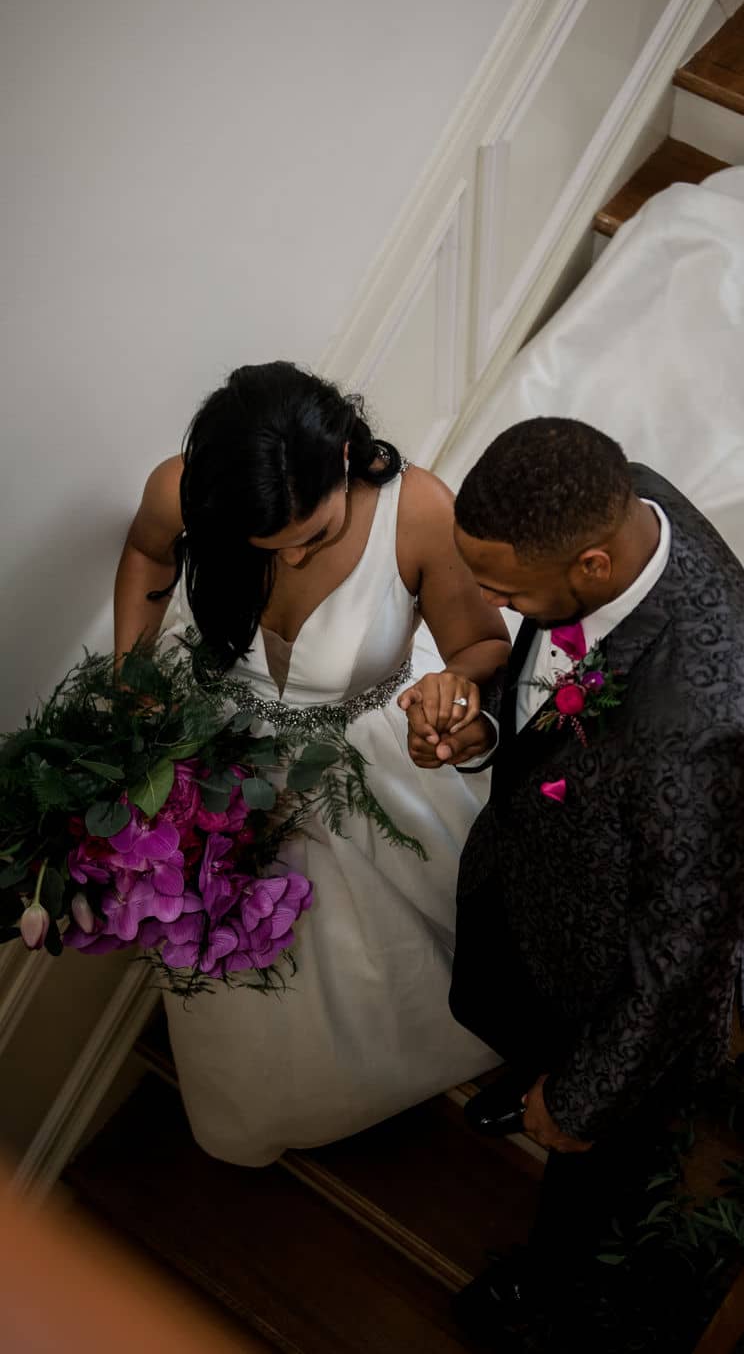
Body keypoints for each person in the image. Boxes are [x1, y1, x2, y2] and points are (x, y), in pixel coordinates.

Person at [402, 417, 744, 1342]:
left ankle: (549, 1291)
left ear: (590, 569)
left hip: (615, 990)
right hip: (537, 893)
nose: (479, 601)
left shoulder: (714, 728)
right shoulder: (625, 499)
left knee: (593, 1179)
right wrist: (488, 728)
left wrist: (582, 1097)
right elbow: (540, 691)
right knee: (505, 1010)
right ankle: (533, 1069)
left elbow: (688, 948)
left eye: (499, 586)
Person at [115, 361, 509, 1165]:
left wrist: (451, 688)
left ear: (342, 457)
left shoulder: (419, 511)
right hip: (217, 767)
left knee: (388, 966)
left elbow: (481, 642)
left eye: (316, 536)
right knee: (236, 966)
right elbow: (148, 555)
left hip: (363, 764)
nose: (292, 562)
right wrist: (130, 674)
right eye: (270, 547)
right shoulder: (184, 489)